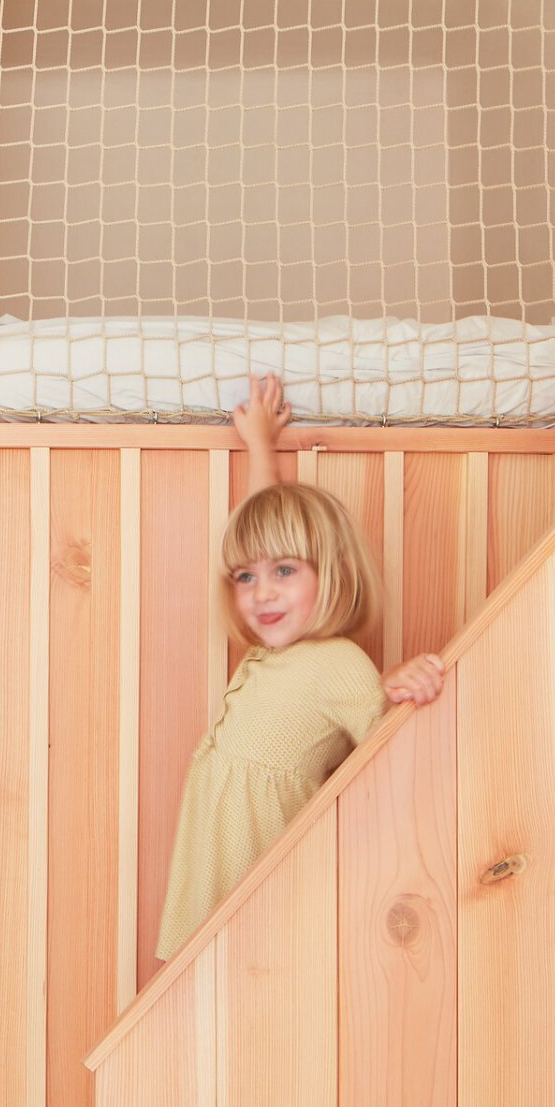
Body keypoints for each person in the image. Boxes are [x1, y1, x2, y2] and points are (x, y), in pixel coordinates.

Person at [155, 376, 445, 959]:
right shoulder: (272, 653)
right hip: (213, 886)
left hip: (267, 904)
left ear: (331, 572)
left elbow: (395, 760)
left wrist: (402, 690)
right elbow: (264, 535)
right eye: (245, 577)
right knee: (194, 999)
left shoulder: (338, 664)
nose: (262, 592)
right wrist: (261, 447)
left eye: (284, 572)